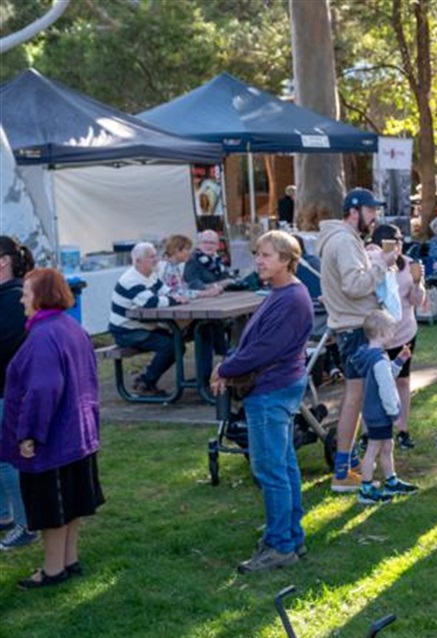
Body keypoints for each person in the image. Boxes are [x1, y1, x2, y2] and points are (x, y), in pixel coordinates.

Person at [212, 231, 314, 572]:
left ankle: (280, 546)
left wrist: (225, 368)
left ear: (286, 260)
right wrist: (227, 365)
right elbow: (254, 344)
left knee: (271, 470)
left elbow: (262, 350)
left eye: (267, 255)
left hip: (272, 391)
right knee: (282, 467)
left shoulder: (291, 298)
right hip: (275, 388)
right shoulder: (283, 293)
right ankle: (289, 536)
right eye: (258, 254)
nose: (259, 260)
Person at [1, 268, 103, 589]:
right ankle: (68, 561)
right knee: (71, 503)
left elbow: (43, 389)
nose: (21, 298)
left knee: (52, 508)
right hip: (78, 435)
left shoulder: (44, 336)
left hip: (54, 441)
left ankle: (52, 569)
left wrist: (30, 434)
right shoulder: (71, 327)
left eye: (27, 292)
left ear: (42, 295)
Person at [318, 188, 388, 493]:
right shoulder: (345, 240)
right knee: (354, 399)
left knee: (355, 398)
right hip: (355, 328)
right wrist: (382, 265)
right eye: (371, 211)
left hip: (350, 326)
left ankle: (349, 462)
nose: (375, 217)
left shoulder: (343, 239)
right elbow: (354, 285)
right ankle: (342, 472)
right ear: (354, 211)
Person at [349, 309, 418, 506]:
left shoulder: (373, 355)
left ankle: (391, 481)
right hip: (379, 413)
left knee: (387, 446)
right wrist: (395, 413)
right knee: (374, 449)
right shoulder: (378, 360)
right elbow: (387, 389)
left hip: (374, 412)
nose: (393, 335)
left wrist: (399, 361)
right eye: (390, 331)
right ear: (380, 333)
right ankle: (367, 489)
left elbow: (387, 376)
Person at [371, 224, 426, 450]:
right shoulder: (371, 263)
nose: (400, 245)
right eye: (395, 241)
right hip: (376, 333)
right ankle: (369, 431)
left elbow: (416, 301)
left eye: (401, 240)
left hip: (404, 331)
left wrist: (416, 282)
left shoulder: (408, 265)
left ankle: (402, 429)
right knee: (373, 384)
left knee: (402, 380)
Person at [108, 242, 188, 395]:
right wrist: (176, 300)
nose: (156, 259)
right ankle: (146, 382)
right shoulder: (130, 279)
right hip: (126, 331)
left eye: (155, 256)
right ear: (137, 261)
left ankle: (147, 381)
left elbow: (166, 291)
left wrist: (175, 296)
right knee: (171, 346)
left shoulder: (150, 275)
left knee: (179, 342)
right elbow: (151, 303)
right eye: (151, 257)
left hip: (141, 327)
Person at [0, 237, 37, 551]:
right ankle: (4, 515)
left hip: (7, 391)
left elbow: (8, 346)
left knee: (6, 459)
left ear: (3, 261)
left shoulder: (12, 298)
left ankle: (26, 524)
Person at [183, 229, 231, 385]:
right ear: (199, 244)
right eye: (205, 242)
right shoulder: (193, 260)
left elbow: (228, 281)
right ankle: (206, 378)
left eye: (212, 243)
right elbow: (194, 285)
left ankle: (227, 366)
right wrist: (217, 286)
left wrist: (222, 285)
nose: (209, 246)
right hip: (192, 313)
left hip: (215, 309)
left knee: (235, 322)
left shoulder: (218, 262)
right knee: (205, 328)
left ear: (218, 245)